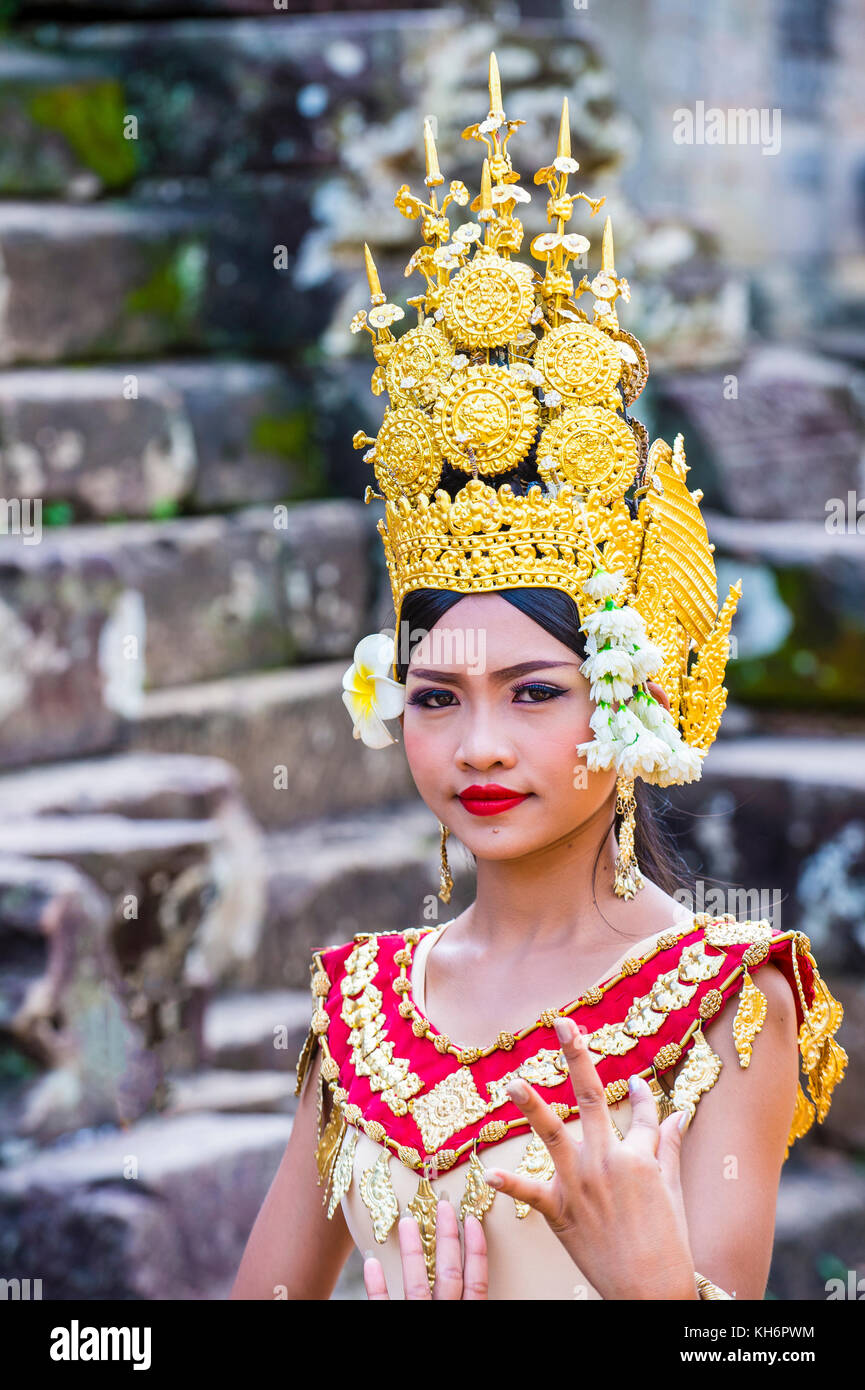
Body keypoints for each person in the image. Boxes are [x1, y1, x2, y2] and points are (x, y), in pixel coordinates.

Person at [230, 54, 846, 1302]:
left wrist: (644, 1272)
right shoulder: (357, 1009)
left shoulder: (730, 1003)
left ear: (631, 694)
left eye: (534, 689)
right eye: (436, 696)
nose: (478, 748)